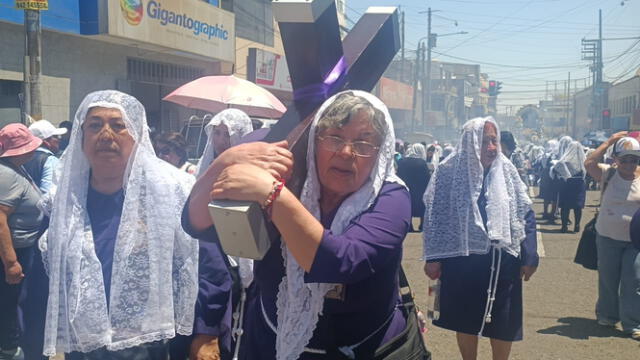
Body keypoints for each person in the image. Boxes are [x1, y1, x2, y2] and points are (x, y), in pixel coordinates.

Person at [186, 90, 416, 359]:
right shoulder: (292, 179)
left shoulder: (391, 198)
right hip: (268, 342)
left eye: (364, 144)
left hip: (360, 350)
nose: (346, 152)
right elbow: (196, 223)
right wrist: (227, 159)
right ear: (313, 141)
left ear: (381, 153)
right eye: (334, 137)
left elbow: (343, 262)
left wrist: (273, 194)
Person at [38, 90, 229, 358]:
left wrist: (206, 332)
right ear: (81, 138)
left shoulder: (172, 191)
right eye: (95, 125)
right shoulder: (63, 200)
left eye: (119, 125)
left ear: (138, 137)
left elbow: (208, 263)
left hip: (151, 342)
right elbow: (48, 276)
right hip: (85, 344)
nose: (106, 134)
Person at [423, 117, 538, 360]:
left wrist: (530, 254)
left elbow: (525, 211)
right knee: (465, 320)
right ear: (468, 142)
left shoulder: (507, 171)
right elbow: (435, 215)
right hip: (462, 259)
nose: (491, 148)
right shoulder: (447, 172)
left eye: (494, 141)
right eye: (484, 141)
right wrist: (433, 257)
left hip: (503, 260)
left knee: (503, 321)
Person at [584, 132, 640, 341]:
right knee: (608, 279)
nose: (629, 163)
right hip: (607, 237)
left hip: (635, 241)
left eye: (634, 159)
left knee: (633, 280)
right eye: (625, 159)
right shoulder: (607, 174)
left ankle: (632, 323)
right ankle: (607, 315)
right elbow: (589, 162)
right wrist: (609, 142)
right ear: (616, 159)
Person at [0, 123, 45, 360]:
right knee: (8, 301)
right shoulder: (7, 174)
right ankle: (8, 348)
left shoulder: (16, 169)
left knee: (12, 299)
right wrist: (10, 262)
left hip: (23, 249)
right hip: (14, 252)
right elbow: (0, 220)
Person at [196, 109, 253, 177]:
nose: (221, 141)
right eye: (217, 133)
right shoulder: (206, 165)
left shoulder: (248, 172)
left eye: (228, 135)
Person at [23, 120, 67, 194]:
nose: (59, 139)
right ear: (45, 141)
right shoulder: (51, 160)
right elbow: (49, 193)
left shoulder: (22, 157)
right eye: (55, 136)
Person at [552, 141, 587, 233]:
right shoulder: (583, 160)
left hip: (567, 184)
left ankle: (564, 227)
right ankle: (577, 225)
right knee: (578, 207)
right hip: (579, 184)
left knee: (565, 207)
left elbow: (556, 168)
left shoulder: (565, 160)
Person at [397, 143, 430, 232]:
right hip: (420, 190)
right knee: (422, 207)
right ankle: (422, 225)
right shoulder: (422, 163)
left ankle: (409, 225)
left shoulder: (402, 161)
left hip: (406, 189)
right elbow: (427, 177)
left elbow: (398, 175)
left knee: (408, 206)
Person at [538, 139, 560, 221]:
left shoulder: (544, 154)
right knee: (554, 196)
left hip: (545, 177)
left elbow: (543, 165)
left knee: (546, 197)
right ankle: (552, 213)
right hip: (553, 177)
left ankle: (545, 213)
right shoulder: (556, 154)